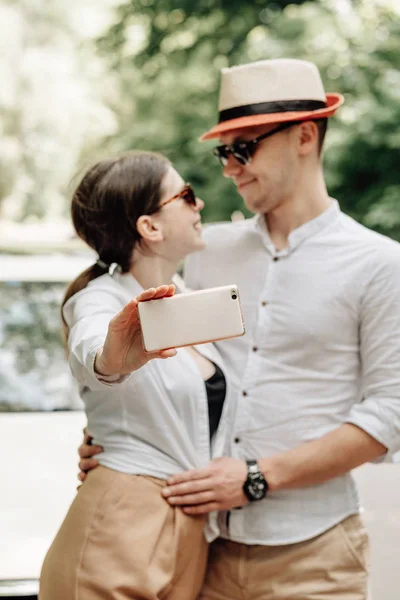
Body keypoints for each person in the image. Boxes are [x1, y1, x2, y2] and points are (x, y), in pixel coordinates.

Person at [79, 59, 400, 600]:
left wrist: (258, 476)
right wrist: (118, 443)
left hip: (316, 557)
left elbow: (390, 414)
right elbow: (163, 370)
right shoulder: (205, 255)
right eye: (223, 152)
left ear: (304, 135)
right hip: (198, 551)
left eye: (244, 148)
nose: (231, 168)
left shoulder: (379, 263)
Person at [39, 151, 237, 600]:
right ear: (150, 227)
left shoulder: (184, 298)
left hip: (184, 538)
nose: (199, 204)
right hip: (119, 531)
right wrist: (113, 357)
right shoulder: (100, 298)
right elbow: (92, 345)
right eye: (185, 195)